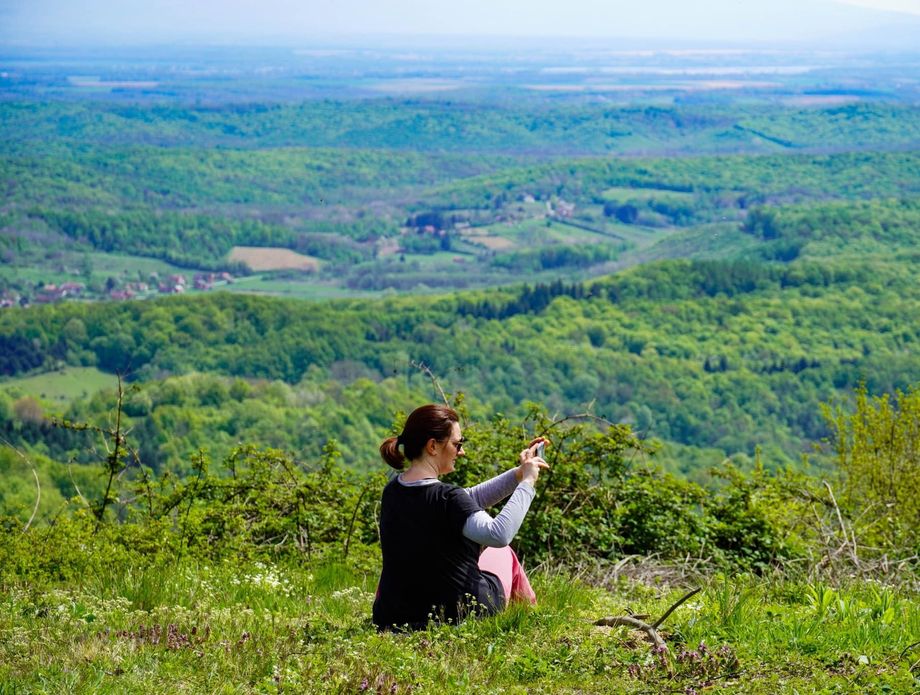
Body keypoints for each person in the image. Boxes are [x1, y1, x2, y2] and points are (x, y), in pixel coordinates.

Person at [372, 403, 549, 631]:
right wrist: (527, 483)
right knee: (502, 551)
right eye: (457, 444)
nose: (462, 451)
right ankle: (531, 622)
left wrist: (519, 472)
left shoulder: (393, 491)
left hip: (393, 616)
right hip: (461, 613)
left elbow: (468, 499)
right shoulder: (448, 498)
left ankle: (530, 621)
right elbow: (498, 534)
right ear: (433, 446)